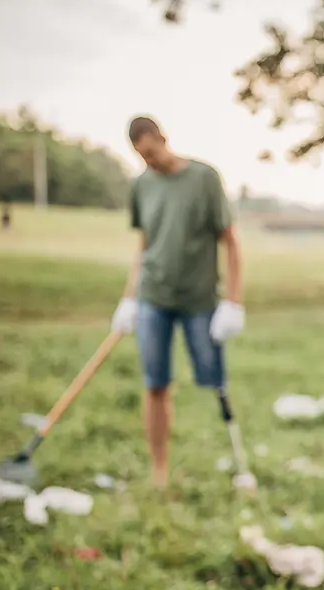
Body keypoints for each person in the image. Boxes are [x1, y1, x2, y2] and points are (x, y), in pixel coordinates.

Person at [109, 116, 245, 488]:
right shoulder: (141, 186)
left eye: (151, 152)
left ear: (163, 138)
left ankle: (237, 460)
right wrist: (129, 299)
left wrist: (233, 302)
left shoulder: (204, 178)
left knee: (213, 378)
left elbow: (230, 241)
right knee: (155, 383)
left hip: (199, 299)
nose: (148, 162)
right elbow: (144, 244)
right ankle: (159, 471)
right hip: (153, 296)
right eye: (141, 156)